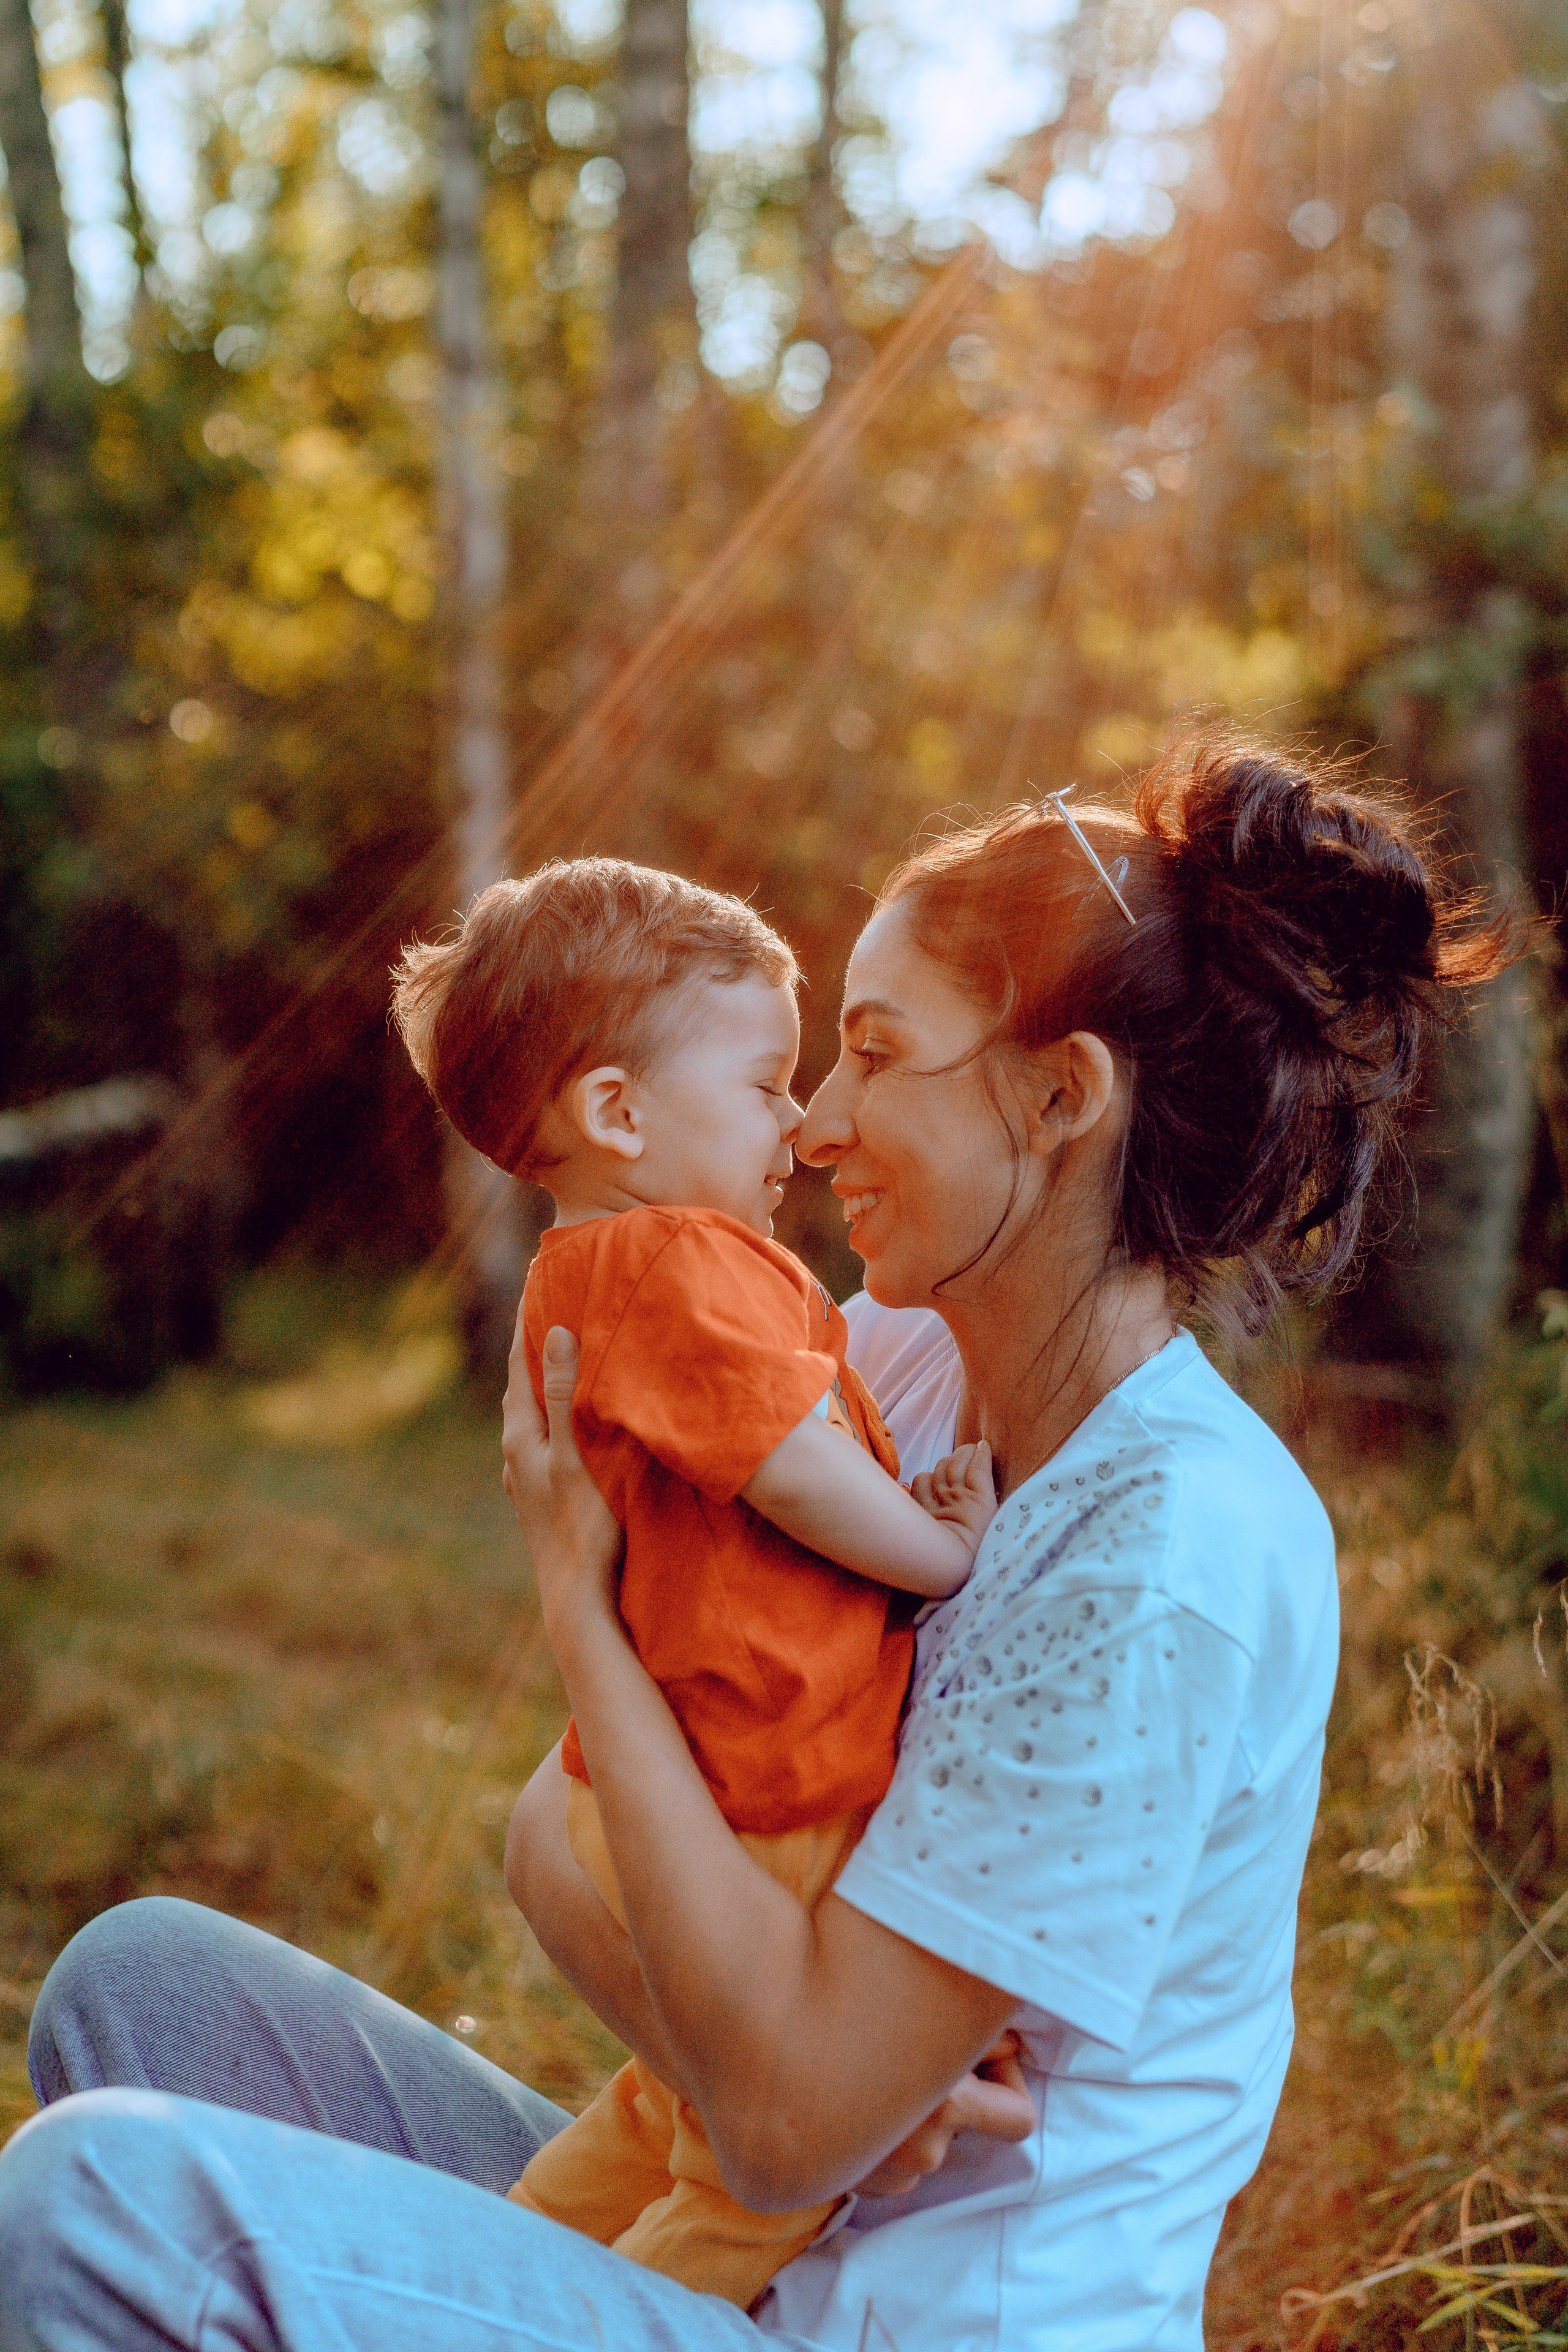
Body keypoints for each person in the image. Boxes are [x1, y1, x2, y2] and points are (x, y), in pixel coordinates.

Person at [0, 738, 1506, 2352]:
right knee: (142, 1985)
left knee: (89, 2205)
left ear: (1060, 1096)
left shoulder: (1167, 1554)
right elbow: (549, 1839)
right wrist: (789, 2081)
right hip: (728, 2231)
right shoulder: (891, 1364)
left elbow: (786, 2118)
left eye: (873, 1054)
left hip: (878, 2331)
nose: (818, 1124)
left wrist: (581, 1614)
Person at [389, 858, 993, 2304]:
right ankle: (558, 2330)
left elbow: (768, 1472)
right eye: (766, 1084)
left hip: (665, 1779)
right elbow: (787, 1468)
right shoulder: (676, 1260)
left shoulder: (594, 1266)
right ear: (616, 1113)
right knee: (747, 2189)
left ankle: (483, 2281)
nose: (798, 1122)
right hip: (753, 1787)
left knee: (660, 2114)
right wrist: (941, 1553)